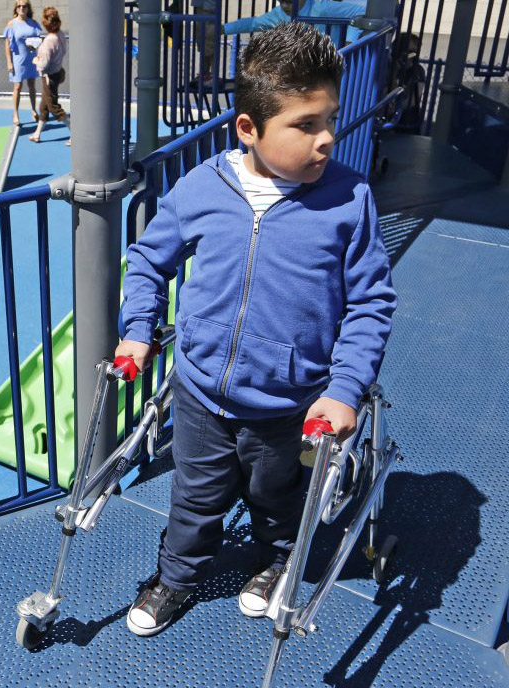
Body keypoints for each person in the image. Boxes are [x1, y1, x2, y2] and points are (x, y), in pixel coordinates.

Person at [116, 23, 397, 637]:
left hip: (286, 400)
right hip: (201, 392)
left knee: (276, 496)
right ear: (249, 128)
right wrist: (138, 328)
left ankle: (275, 561)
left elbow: (371, 302)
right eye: (305, 124)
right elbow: (146, 260)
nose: (326, 139)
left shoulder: (349, 200)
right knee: (195, 495)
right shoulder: (200, 189)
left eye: (330, 119)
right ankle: (176, 578)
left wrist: (345, 388)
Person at [223, 0, 367, 46]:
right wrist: (222, 29)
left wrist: (349, 43)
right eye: (282, 1)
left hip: (334, 65)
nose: (286, 6)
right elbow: (251, 23)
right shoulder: (278, 14)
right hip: (307, 67)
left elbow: (361, 12)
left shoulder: (322, 7)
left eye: (290, 1)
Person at [29, 6, 69, 145]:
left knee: (53, 107)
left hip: (49, 77)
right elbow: (62, 52)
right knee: (44, 107)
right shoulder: (61, 35)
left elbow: (43, 65)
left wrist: (36, 60)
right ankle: (37, 134)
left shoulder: (48, 41)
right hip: (57, 72)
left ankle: (75, 133)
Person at [4, 1, 42, 126]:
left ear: (28, 8)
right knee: (17, 87)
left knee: (32, 85)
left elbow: (39, 40)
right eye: (19, 6)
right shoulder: (12, 24)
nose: (21, 8)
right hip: (18, 60)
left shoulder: (33, 23)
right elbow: (7, 46)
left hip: (31, 60)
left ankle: (33, 110)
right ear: (16, 8)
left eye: (24, 6)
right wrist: (9, 62)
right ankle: (15, 113)